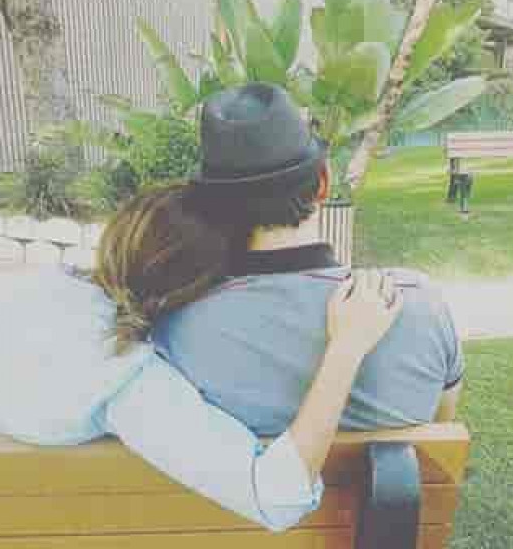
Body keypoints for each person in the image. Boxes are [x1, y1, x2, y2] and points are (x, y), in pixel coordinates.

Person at [0, 184, 403, 532]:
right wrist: (346, 346)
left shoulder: (35, 289)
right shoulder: (127, 383)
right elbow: (277, 497)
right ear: (202, 292)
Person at [153, 82, 464, 437]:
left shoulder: (176, 331)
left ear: (213, 206)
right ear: (323, 183)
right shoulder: (419, 304)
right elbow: (440, 426)